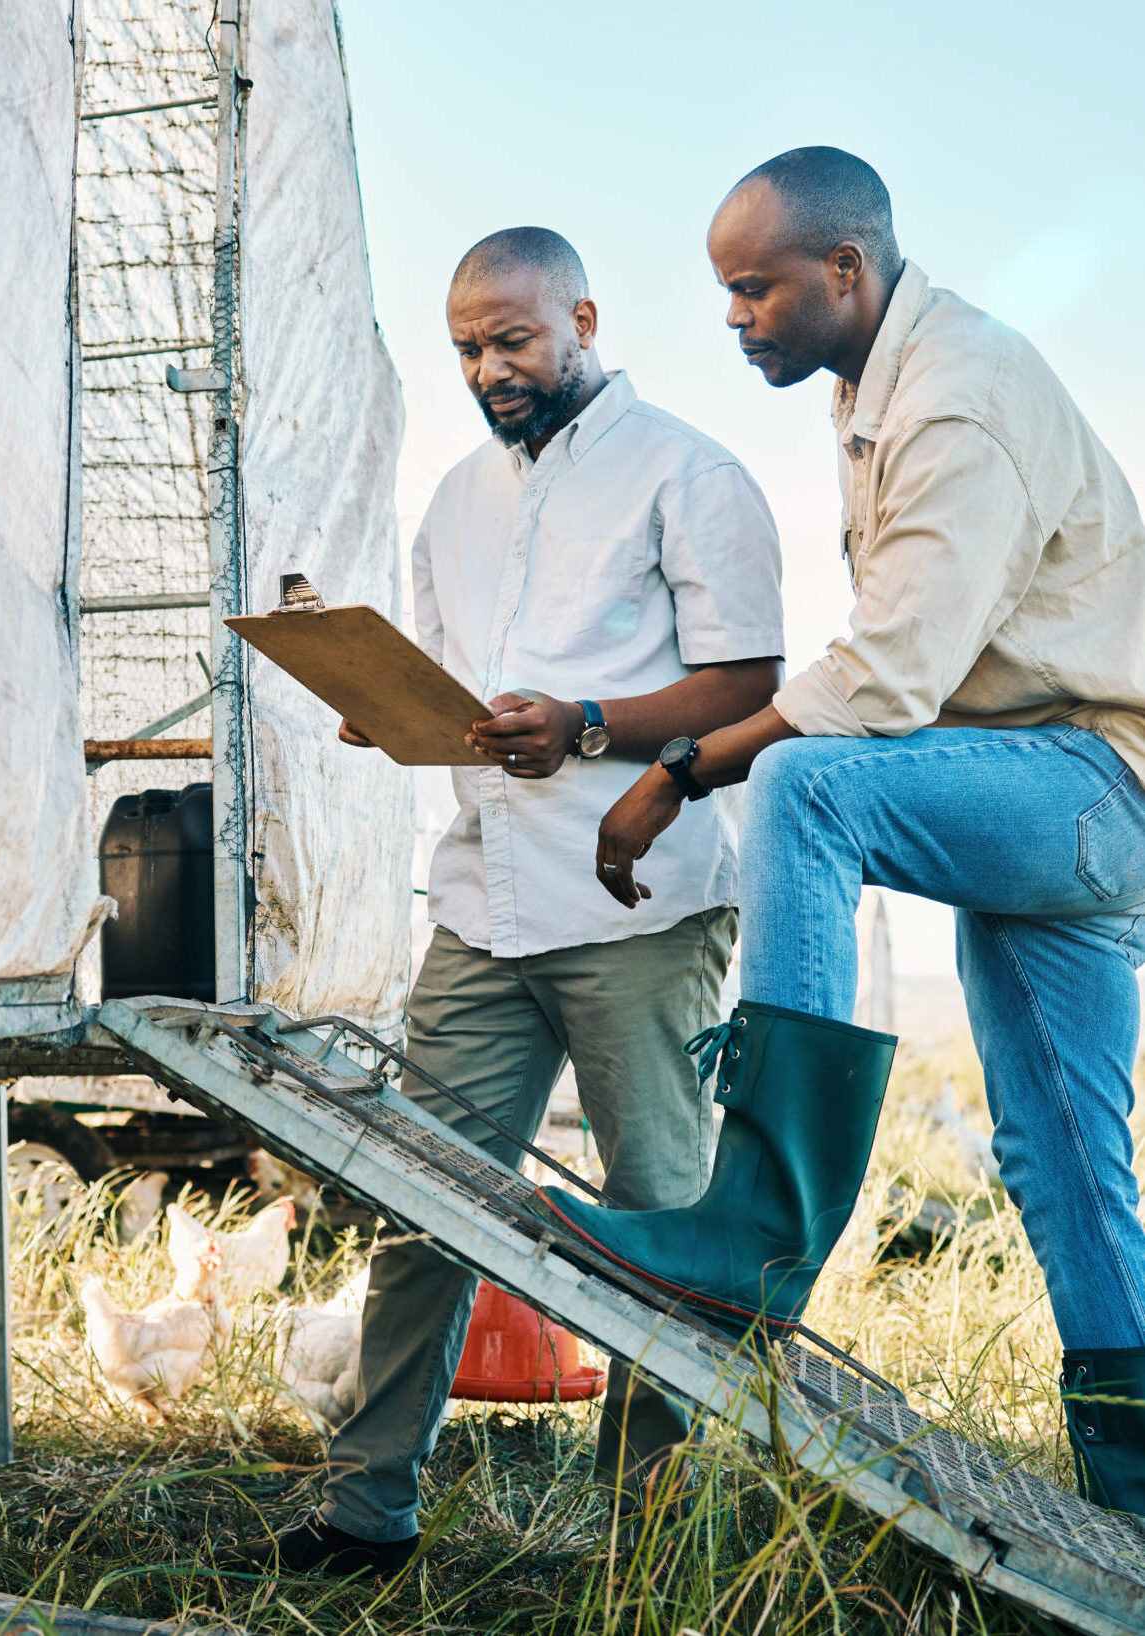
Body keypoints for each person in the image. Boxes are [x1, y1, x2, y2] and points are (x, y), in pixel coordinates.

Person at [536, 148, 1145, 1519]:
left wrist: (680, 769)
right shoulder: (878, 386)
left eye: (754, 288)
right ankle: (1133, 1473)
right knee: (1055, 1151)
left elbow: (882, 684)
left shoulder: (958, 400)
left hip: (1093, 787)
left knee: (807, 782)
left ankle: (756, 1223)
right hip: (1041, 786)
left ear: (845, 270)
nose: (735, 316)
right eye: (723, 292)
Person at [219, 226, 784, 1575]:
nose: (489, 369)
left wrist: (586, 724)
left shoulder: (687, 473)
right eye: (467, 347)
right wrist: (391, 712)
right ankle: (367, 1515)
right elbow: (460, 696)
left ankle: (649, 1539)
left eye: (514, 340)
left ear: (582, 316)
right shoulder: (455, 502)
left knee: (659, 1226)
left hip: (639, 898)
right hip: (481, 899)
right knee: (421, 1203)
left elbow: (752, 681)